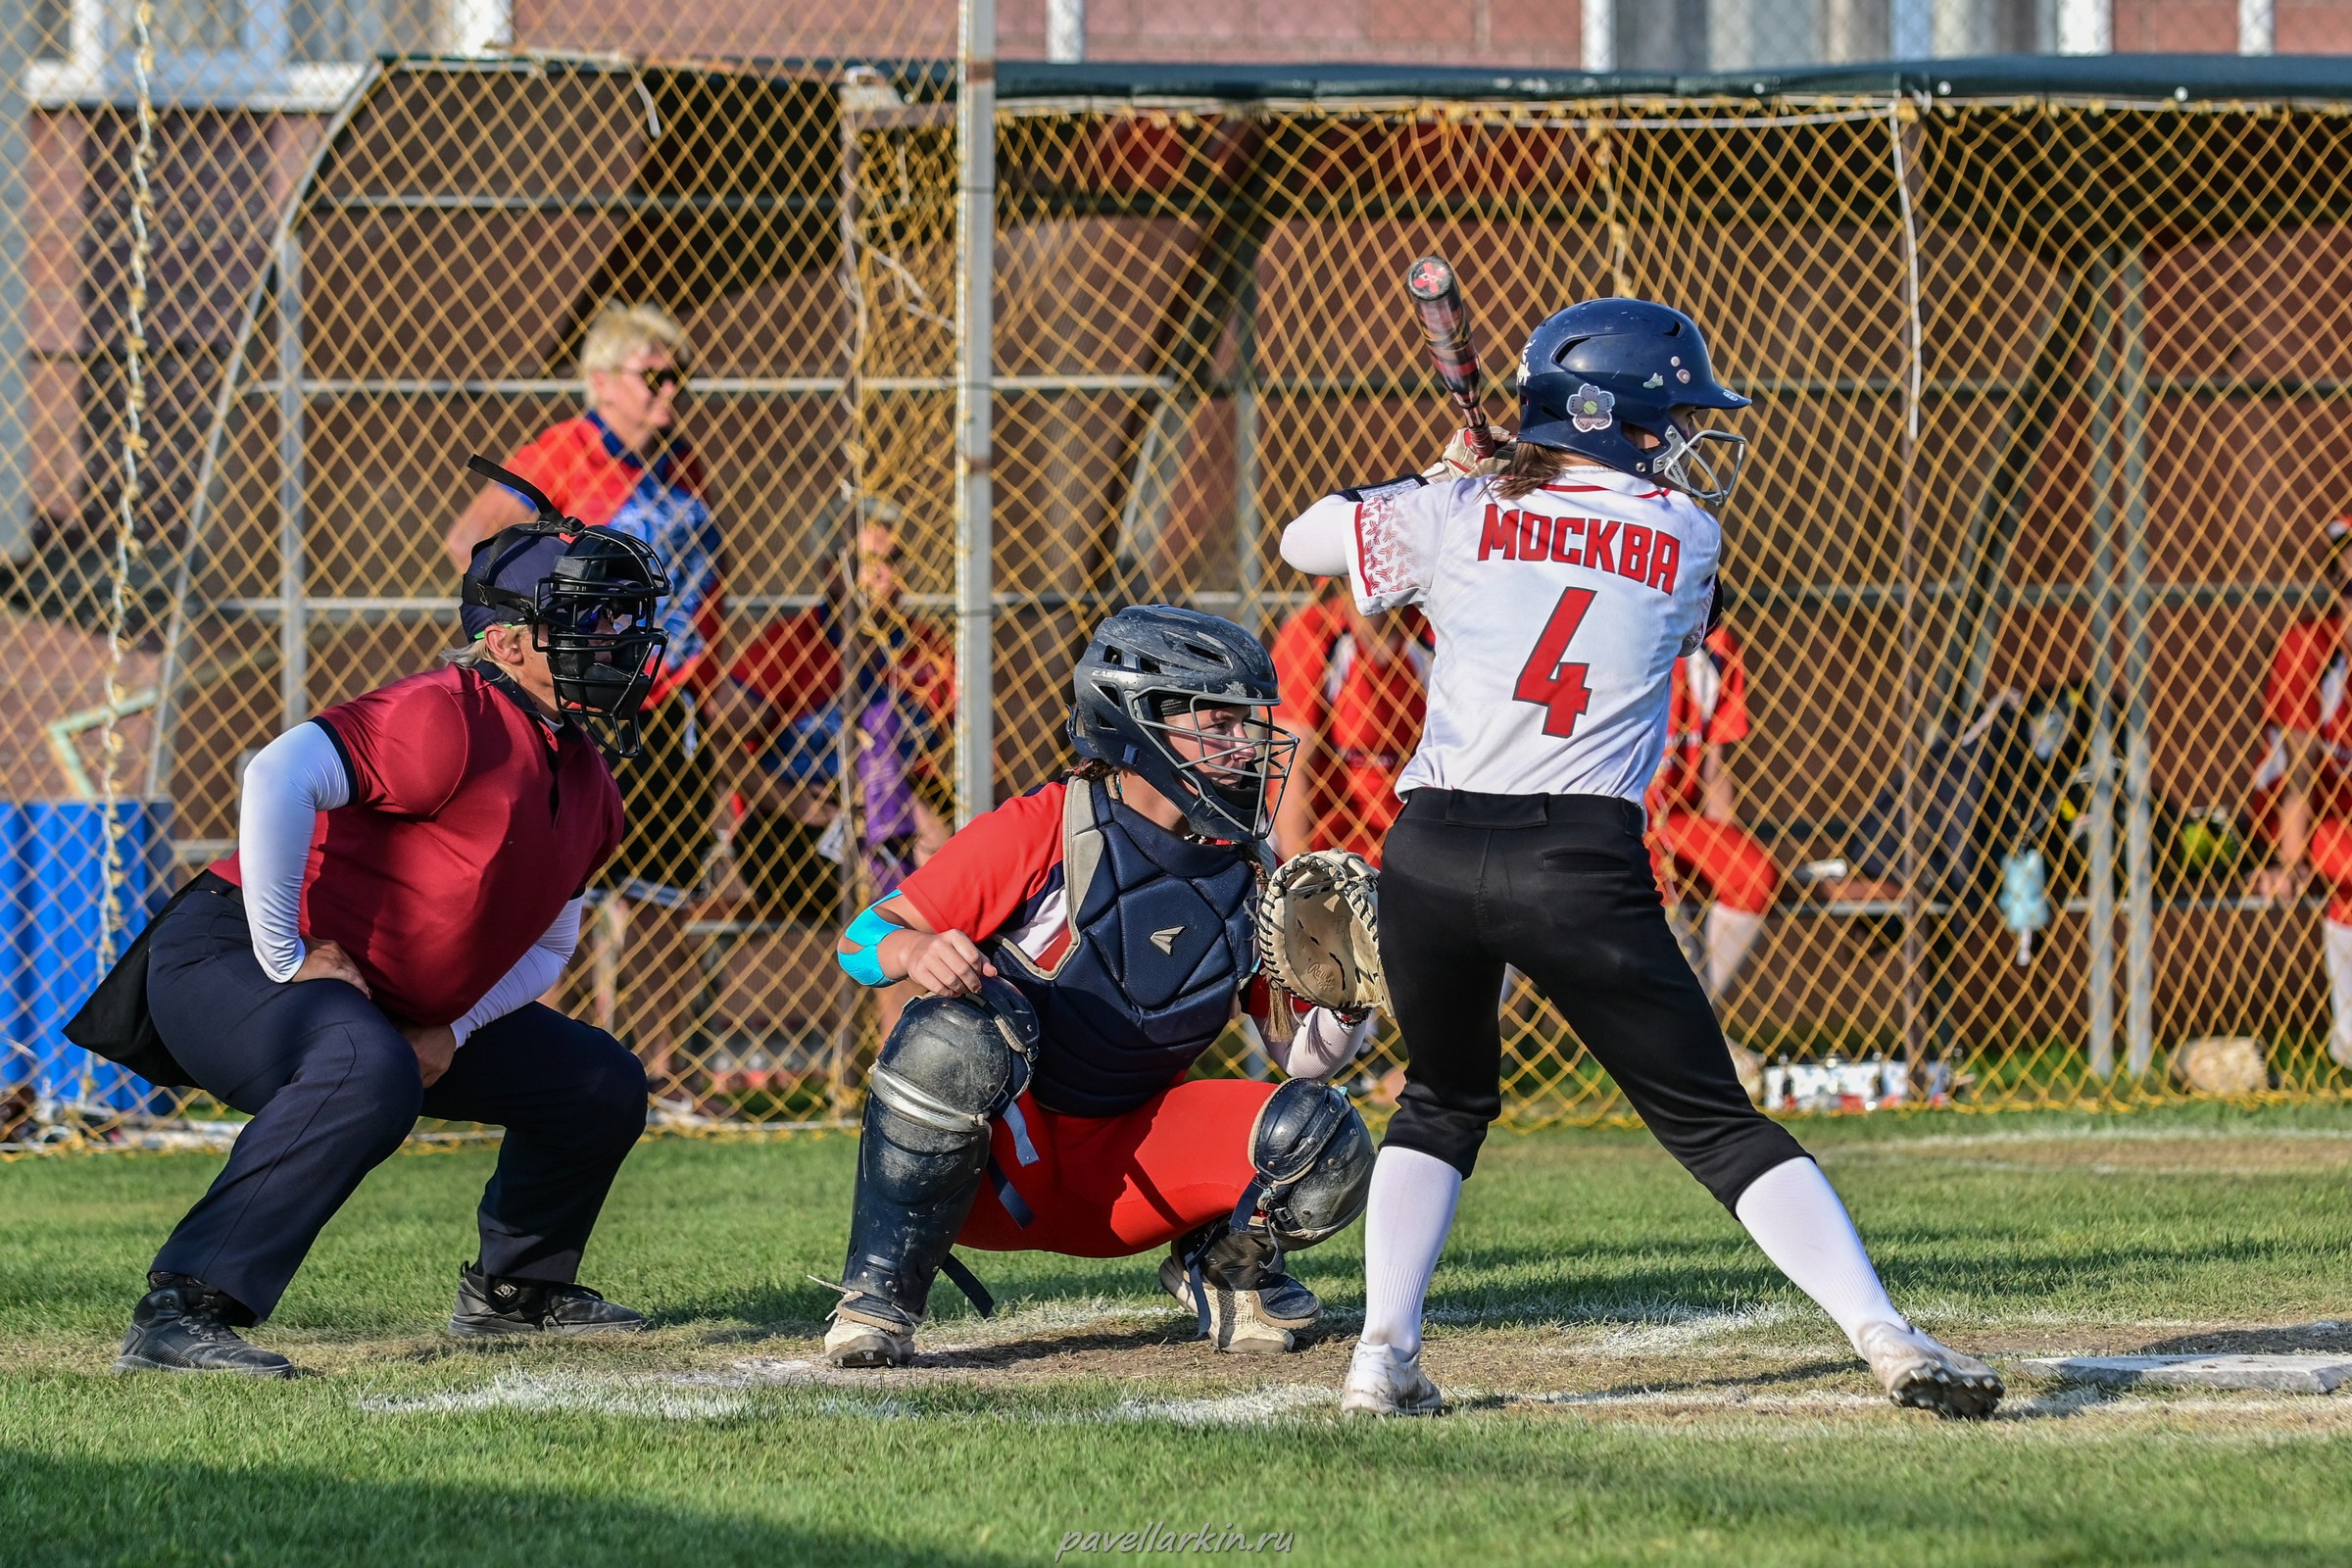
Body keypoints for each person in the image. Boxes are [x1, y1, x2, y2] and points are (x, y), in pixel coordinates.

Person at [1277, 298, 2003, 1419]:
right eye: (1664, 423)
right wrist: (1480, 488)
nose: (1677, 443)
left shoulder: (1460, 506)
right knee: (1714, 1121)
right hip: (1575, 855)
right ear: (1613, 421)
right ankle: (1885, 1333)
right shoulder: (1687, 540)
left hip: (1429, 844)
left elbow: (1302, 541)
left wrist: (1439, 479)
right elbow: (1614, 573)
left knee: (1442, 1097)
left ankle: (1383, 1353)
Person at [109, 507, 665, 1377]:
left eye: (623, 617)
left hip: (391, 1005)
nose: (619, 639)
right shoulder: (448, 713)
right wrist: (285, 953)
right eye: (588, 617)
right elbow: (277, 774)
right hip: (226, 955)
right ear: (509, 643)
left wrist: (456, 1029)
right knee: (370, 1066)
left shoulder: (589, 776)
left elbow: (549, 948)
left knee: (599, 1083)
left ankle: (514, 1291)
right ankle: (183, 1304)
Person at [816, 606, 1376, 1367]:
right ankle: (878, 1295)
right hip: (997, 1168)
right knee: (949, 1036)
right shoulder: (1043, 826)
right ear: (1136, 723)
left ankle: (1224, 1268)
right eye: (1219, 720)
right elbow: (859, 942)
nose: (1245, 745)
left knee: (1328, 1135)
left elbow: (1301, 1060)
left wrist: (1348, 999)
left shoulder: (1250, 867)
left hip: (1131, 1175)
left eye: (1248, 723)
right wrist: (916, 949)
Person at [443, 302, 753, 1098]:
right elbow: (473, 546)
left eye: (679, 376)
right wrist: (536, 640)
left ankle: (657, 1071)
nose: (670, 393)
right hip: (583, 706)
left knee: (662, 897)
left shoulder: (682, 463)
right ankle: (542, 1064)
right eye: (654, 377)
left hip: (673, 705)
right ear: (603, 379)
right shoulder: (564, 454)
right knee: (562, 892)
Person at [2250, 515, 2352, 1068]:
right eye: (2348, 588)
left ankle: (2348, 1037)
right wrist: (2285, 865)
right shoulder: (2309, 646)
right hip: (2302, 820)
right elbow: (2300, 777)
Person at [1647, 614, 1780, 1001]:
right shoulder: (1625, 627)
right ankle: (1680, 1034)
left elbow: (1714, 767)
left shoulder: (1712, 642)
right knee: (1652, 875)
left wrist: (1719, 854)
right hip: (1618, 814)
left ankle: (1701, 1018)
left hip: (1675, 821)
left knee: (1753, 875)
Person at [1269, 579, 1432, 864]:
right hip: (1334, 854)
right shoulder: (1312, 632)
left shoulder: (1432, 634)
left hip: (1421, 844)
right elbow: (1292, 768)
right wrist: (1300, 877)